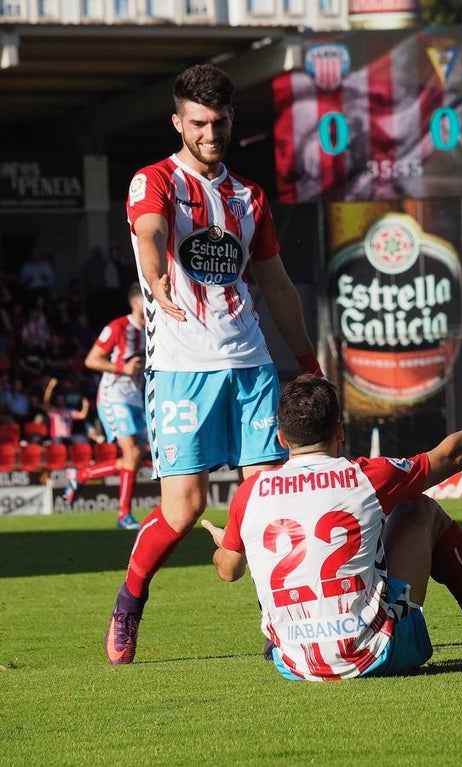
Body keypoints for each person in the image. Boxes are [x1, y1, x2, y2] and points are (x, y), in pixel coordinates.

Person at [104, 63, 323, 665]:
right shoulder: (153, 181)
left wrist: (306, 361)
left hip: (251, 363)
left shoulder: (249, 196)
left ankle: (282, 628)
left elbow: (277, 288)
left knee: (268, 503)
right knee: (185, 509)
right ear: (179, 122)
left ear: (230, 121)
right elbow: (149, 234)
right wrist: (154, 278)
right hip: (181, 368)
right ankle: (130, 600)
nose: (210, 131)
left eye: (219, 121)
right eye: (198, 122)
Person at [201, 376, 462, 681]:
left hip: (294, 664)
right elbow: (451, 456)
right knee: (419, 507)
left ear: (281, 437)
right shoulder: (365, 475)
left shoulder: (251, 492)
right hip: (380, 652)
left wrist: (225, 543)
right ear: (340, 431)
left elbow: (229, 570)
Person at [63, 283, 147, 530]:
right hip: (114, 395)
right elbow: (91, 360)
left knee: (134, 458)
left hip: (136, 398)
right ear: (135, 301)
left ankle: (80, 475)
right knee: (131, 453)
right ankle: (124, 515)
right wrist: (123, 368)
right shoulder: (118, 327)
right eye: (146, 297)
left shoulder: (154, 328)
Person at [42, 376, 89, 445]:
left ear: (65, 401)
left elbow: (82, 415)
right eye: (59, 400)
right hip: (57, 438)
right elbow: (46, 401)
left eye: (62, 400)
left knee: (83, 439)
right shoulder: (53, 411)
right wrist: (50, 387)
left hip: (68, 437)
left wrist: (85, 406)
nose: (60, 402)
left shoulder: (69, 411)